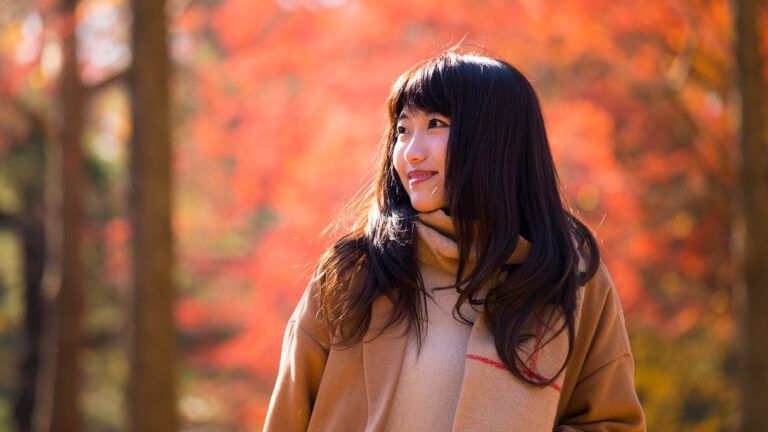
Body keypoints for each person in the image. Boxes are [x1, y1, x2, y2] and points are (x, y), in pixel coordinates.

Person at [264, 51, 645, 431]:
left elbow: (611, 422)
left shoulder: (570, 279)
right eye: (402, 129)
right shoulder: (355, 273)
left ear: (496, 140)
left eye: (435, 124)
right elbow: (288, 416)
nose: (411, 152)